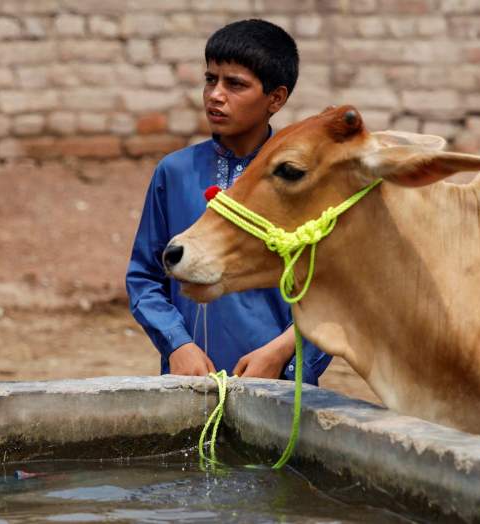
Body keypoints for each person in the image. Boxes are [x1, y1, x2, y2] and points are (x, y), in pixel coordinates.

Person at [125, 19, 332, 385]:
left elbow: (336, 292)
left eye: (235, 84)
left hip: (278, 384)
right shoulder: (174, 173)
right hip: (189, 382)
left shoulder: (305, 181)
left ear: (276, 98)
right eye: (210, 79)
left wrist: (283, 352)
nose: (215, 95)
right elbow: (145, 277)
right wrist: (178, 345)